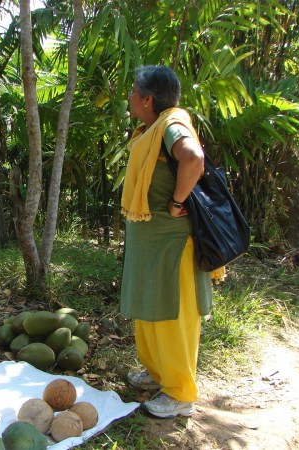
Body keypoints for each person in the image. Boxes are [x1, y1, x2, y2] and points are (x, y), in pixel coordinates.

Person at [120, 65, 220, 418]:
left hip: (172, 242)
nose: (130, 97)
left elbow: (193, 158)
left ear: (148, 99)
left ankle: (180, 394)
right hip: (151, 240)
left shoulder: (171, 125)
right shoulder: (151, 127)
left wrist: (178, 201)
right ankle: (157, 372)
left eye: (134, 91)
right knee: (150, 309)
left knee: (173, 316)